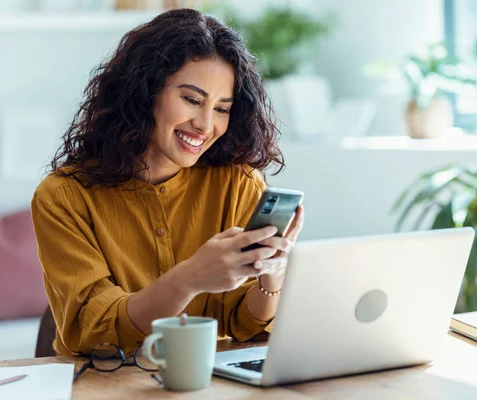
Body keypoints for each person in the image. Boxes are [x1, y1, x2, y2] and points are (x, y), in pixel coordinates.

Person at [31, 7, 304, 357]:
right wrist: (189, 278)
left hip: (208, 385)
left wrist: (273, 274)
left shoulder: (237, 183)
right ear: (145, 92)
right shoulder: (63, 198)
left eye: (222, 108)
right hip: (103, 386)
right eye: (192, 100)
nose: (206, 125)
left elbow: (242, 324)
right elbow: (94, 330)